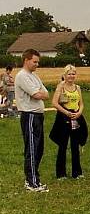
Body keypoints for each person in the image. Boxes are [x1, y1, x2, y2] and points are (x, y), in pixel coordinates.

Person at [15, 49, 49, 192]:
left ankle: (34, 178)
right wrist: (39, 93)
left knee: (39, 149)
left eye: (38, 62)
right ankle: (32, 182)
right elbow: (36, 94)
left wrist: (41, 93)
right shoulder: (22, 76)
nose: (37, 64)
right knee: (32, 148)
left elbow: (46, 93)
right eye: (34, 61)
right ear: (26, 60)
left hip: (38, 115)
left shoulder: (34, 76)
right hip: (29, 115)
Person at [49, 64, 88, 179]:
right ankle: (61, 173)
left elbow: (81, 103)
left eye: (73, 74)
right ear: (64, 75)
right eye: (69, 74)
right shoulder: (61, 87)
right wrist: (66, 112)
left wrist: (79, 112)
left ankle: (77, 172)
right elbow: (54, 103)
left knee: (75, 145)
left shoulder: (78, 88)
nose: (71, 76)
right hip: (64, 118)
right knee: (63, 145)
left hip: (76, 117)